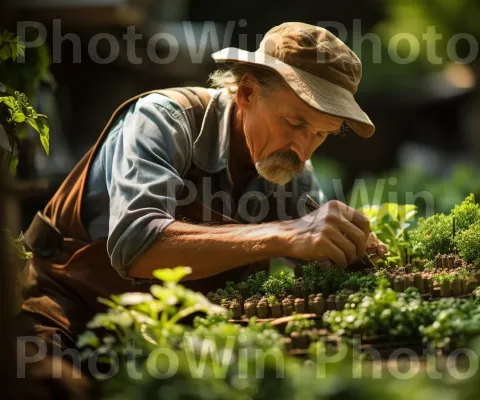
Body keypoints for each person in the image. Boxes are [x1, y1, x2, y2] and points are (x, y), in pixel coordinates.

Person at [16, 22, 385, 380]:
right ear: (247, 93)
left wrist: (343, 249)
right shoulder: (163, 121)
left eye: (321, 134)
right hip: (69, 315)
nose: (304, 150)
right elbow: (137, 243)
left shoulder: (289, 168)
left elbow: (314, 244)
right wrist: (284, 234)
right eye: (295, 123)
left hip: (166, 344)